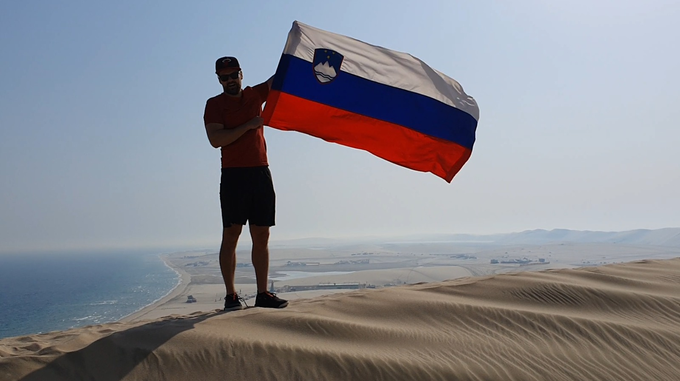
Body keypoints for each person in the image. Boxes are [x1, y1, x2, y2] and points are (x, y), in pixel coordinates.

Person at [203, 56, 288, 311]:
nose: (229, 80)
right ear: (219, 79)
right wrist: (249, 125)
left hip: (260, 173)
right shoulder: (214, 105)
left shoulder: (254, 95)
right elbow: (216, 139)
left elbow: (278, 81)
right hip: (234, 176)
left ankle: (262, 293)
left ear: (241, 73)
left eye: (233, 75)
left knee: (262, 235)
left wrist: (300, 57)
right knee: (231, 235)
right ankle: (231, 296)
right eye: (224, 77)